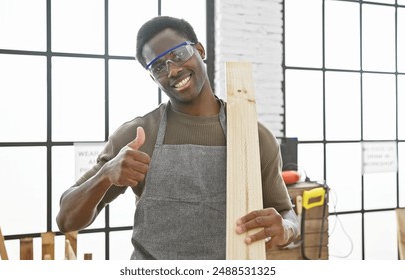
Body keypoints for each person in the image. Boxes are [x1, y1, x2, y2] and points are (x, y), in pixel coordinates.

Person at [56, 15, 299, 260]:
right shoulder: (139, 135)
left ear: (200, 50)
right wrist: (106, 174)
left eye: (179, 54)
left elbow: (287, 214)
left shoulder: (254, 136)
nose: (173, 70)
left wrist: (285, 230)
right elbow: (66, 220)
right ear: (153, 77)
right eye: (159, 66)